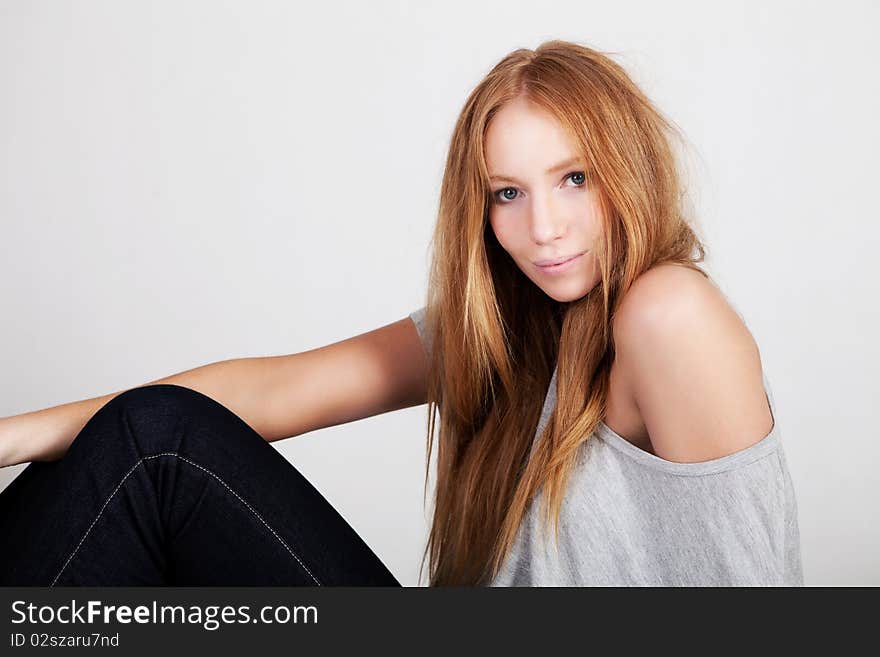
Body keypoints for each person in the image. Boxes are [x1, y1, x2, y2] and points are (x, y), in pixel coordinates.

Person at [0, 39, 803, 587]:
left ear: (628, 168)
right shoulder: (504, 326)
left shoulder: (667, 313)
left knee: (155, 446)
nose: (544, 229)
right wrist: (14, 437)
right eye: (508, 194)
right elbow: (279, 390)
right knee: (149, 446)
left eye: (575, 179)